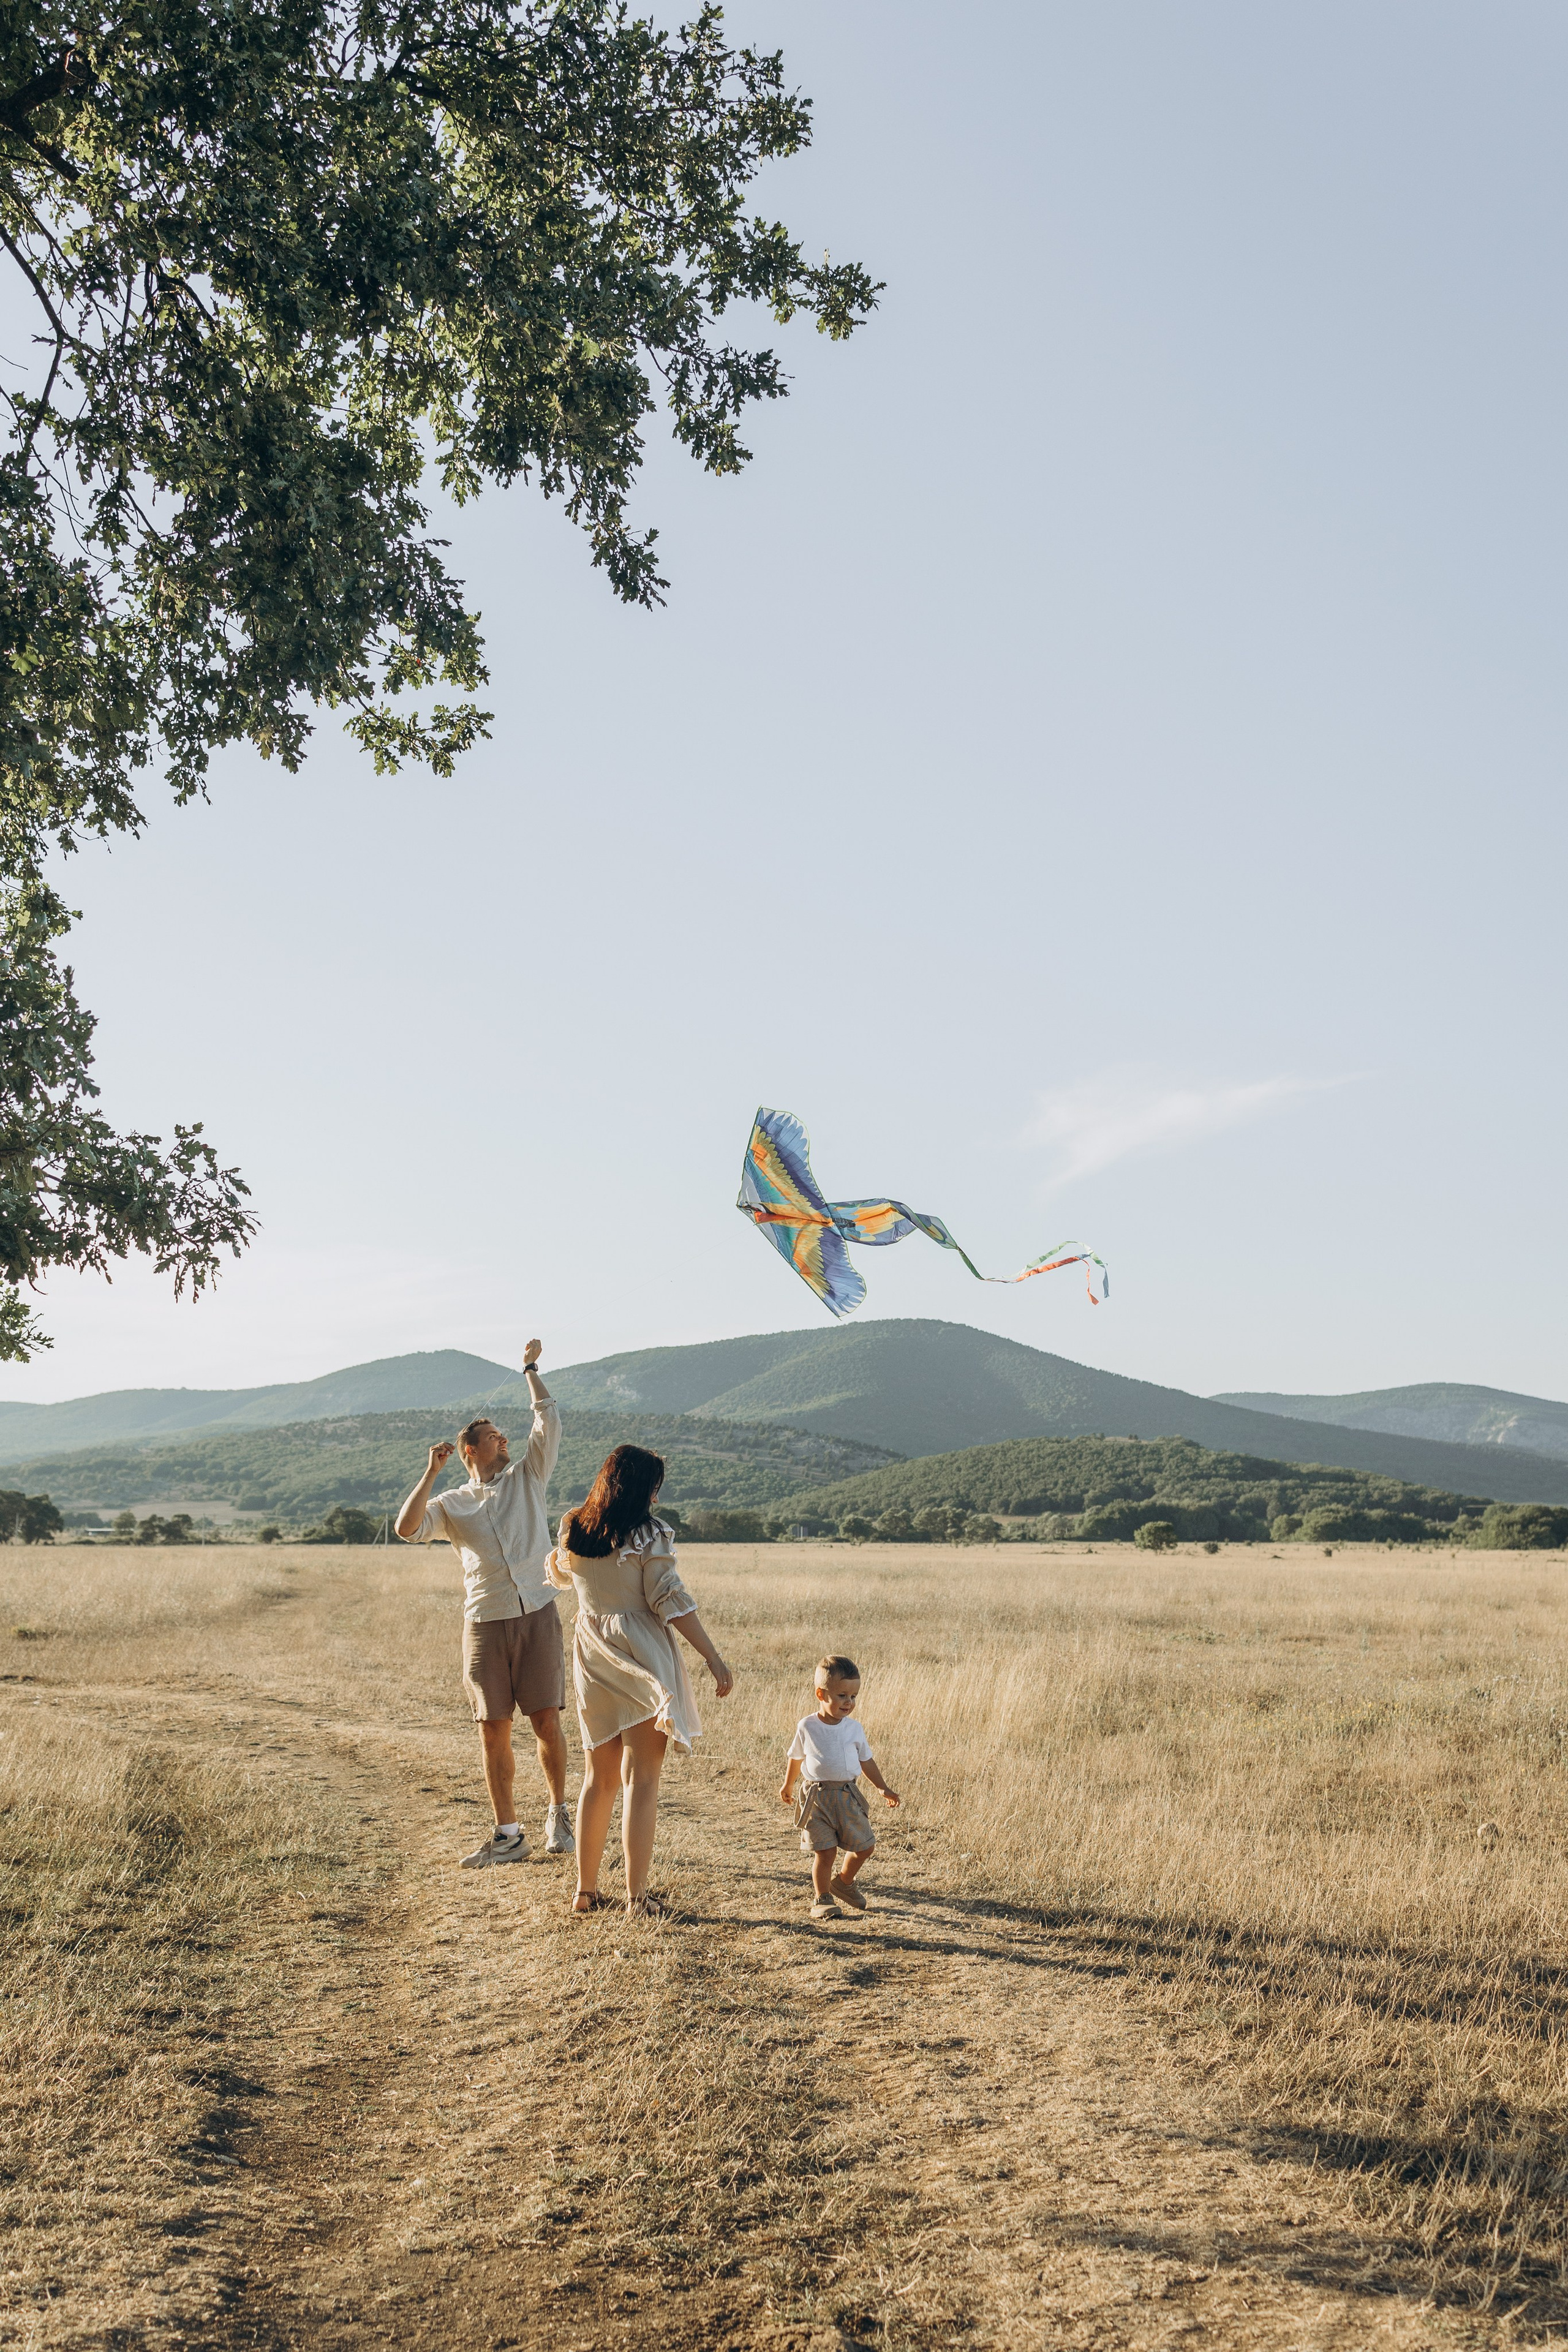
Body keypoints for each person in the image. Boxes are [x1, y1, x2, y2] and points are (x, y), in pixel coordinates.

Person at [394, 1340, 573, 1867]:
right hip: (484, 1622)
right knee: (492, 1728)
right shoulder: (451, 1504)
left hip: (538, 1610)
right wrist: (430, 1474)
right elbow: (407, 1530)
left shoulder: (527, 1477)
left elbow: (548, 1420)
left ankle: (559, 1813)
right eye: (495, 1436)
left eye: (502, 1434)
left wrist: (530, 1370)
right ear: (470, 1449)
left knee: (546, 1721)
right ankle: (508, 1835)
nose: (505, 1439)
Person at [547, 1444, 733, 1917]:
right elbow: (669, 1599)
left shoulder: (574, 1525)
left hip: (592, 1652)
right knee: (643, 1780)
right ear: (644, 1489)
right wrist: (711, 1656)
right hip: (642, 1652)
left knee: (597, 1778)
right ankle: (637, 1899)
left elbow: (565, 1574)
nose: (655, 1496)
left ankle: (585, 1893)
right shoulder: (650, 1535)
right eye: (654, 1487)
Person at [780, 1654, 901, 1919]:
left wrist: (882, 1787)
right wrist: (788, 1785)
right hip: (816, 1797)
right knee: (826, 1852)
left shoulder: (854, 1729)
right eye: (843, 1695)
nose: (849, 1702)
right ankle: (822, 1899)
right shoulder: (808, 1726)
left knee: (865, 1847)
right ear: (821, 1694)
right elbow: (796, 1756)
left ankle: (844, 1882)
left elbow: (866, 1761)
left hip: (848, 1795)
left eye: (854, 1696)